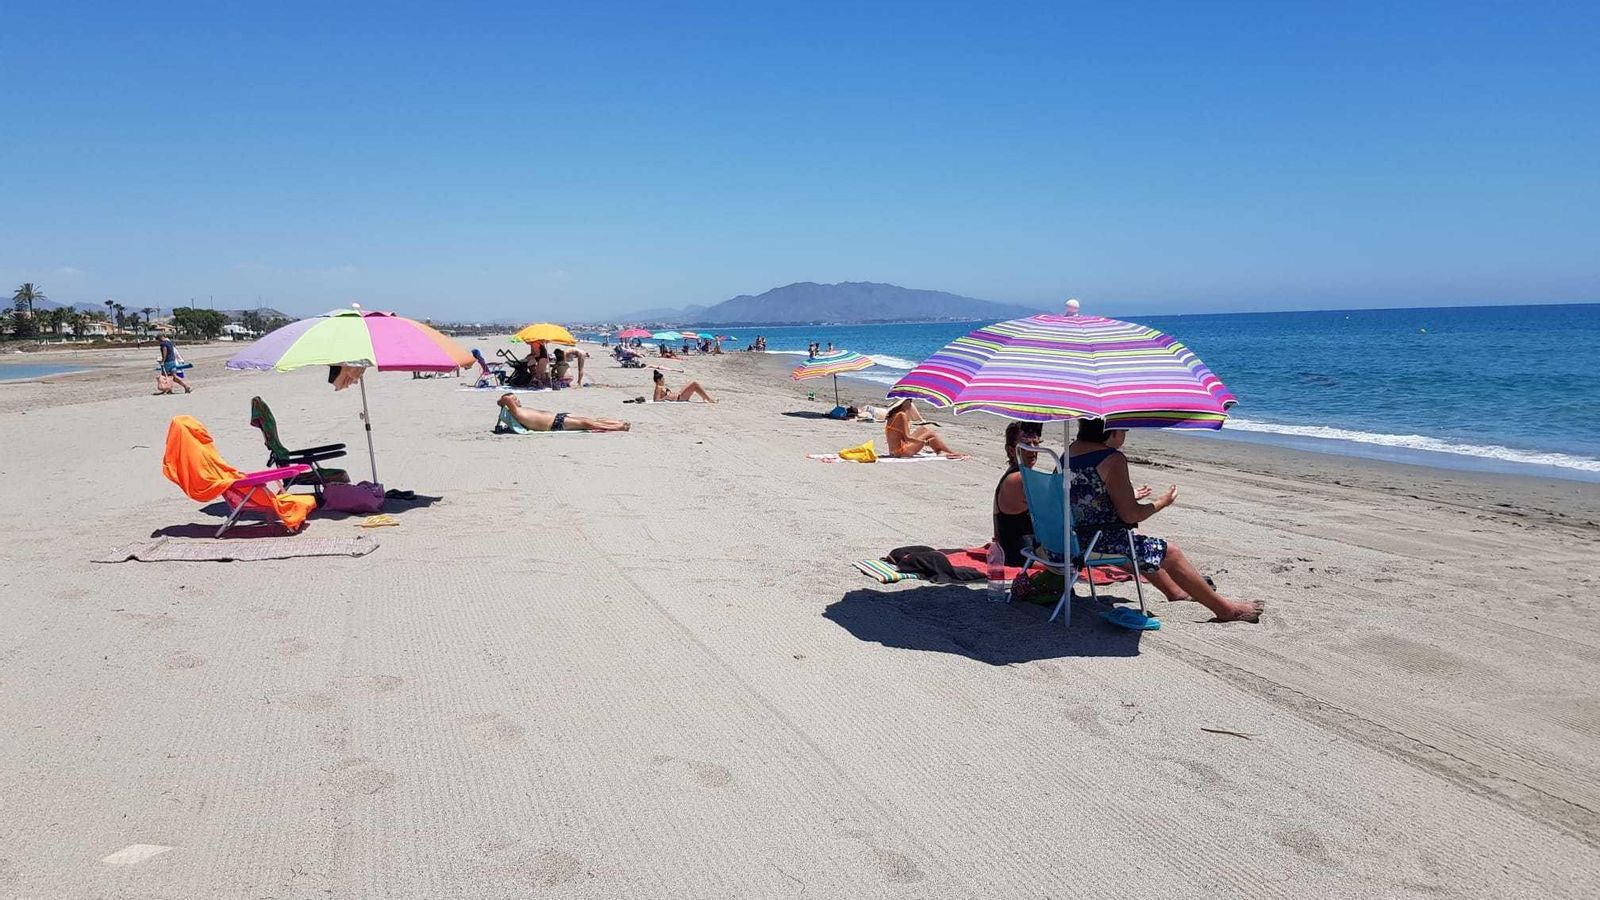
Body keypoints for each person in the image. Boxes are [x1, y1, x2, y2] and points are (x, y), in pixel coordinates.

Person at [1069, 418, 1265, 623]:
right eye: (1124, 430)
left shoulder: (1070, 451)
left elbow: (1079, 496)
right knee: (1170, 553)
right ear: (1113, 431)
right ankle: (1227, 610)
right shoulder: (1112, 459)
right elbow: (1131, 515)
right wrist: (1161, 502)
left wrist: (1125, 496)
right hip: (1093, 542)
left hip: (1066, 538)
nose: (1125, 435)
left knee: (1138, 544)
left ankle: (1175, 592)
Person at [497, 393, 630, 432]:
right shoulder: (516, 412)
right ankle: (618, 427)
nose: (518, 400)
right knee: (588, 423)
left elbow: (507, 399)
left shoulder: (521, 410)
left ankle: (617, 422)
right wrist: (506, 401)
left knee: (591, 419)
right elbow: (505, 399)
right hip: (555, 423)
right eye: (516, 399)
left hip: (558, 416)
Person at [884, 399, 963, 458]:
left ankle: (940, 451)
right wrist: (923, 442)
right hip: (901, 452)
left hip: (894, 451)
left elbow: (902, 437)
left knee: (923, 429)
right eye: (909, 401)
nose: (911, 404)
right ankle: (951, 452)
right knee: (931, 433)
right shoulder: (902, 415)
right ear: (903, 403)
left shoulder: (894, 414)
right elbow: (907, 438)